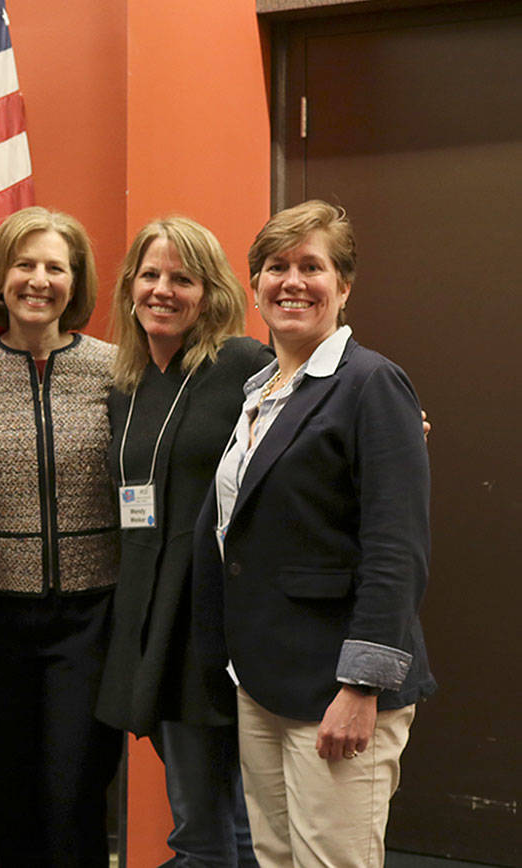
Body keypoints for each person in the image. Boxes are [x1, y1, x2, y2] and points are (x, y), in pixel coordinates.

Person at [194, 200, 435, 866]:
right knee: (275, 858)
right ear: (255, 285)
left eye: (312, 266)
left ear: (344, 285)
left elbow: (396, 552)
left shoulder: (371, 383)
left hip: (337, 688)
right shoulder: (261, 392)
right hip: (264, 682)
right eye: (276, 267)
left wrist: (361, 687)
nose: (292, 282)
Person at [96, 216, 269, 866]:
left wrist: (392, 423)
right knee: (211, 818)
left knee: (213, 826)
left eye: (182, 279)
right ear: (130, 287)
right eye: (150, 275)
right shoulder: (127, 384)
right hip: (147, 620)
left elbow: (319, 409)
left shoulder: (243, 364)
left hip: (211, 626)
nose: (162, 290)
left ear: (210, 292)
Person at [0, 206, 122, 867]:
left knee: (74, 795)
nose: (39, 280)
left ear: (75, 281)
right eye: (25, 264)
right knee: (11, 794)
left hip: (90, 618)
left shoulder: (115, 370)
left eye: (56, 267)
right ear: (1, 275)